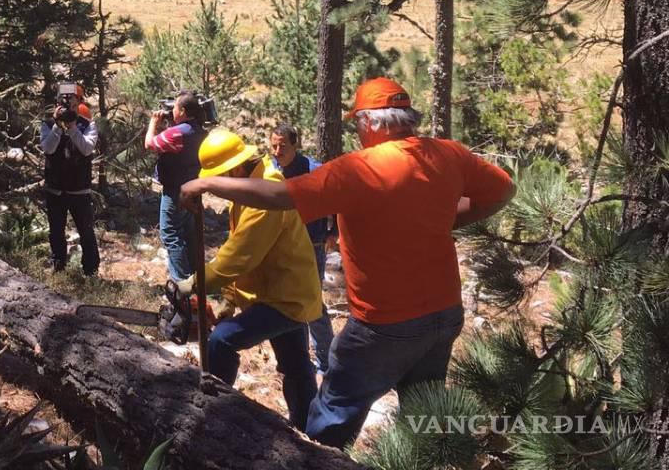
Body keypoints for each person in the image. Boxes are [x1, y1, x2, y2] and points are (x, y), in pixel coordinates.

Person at [180, 78, 515, 449]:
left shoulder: (359, 168)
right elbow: (503, 191)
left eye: (357, 123)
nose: (357, 131)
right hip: (444, 313)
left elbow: (280, 196)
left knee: (330, 420)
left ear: (370, 122)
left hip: (382, 324)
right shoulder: (449, 154)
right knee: (421, 420)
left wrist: (207, 185)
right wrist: (447, 220)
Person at [173, 129, 321, 429]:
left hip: (285, 297)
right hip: (277, 291)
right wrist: (229, 298)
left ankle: (216, 414)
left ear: (236, 168)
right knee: (296, 367)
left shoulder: (264, 191)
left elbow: (240, 255)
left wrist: (192, 284)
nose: (218, 186)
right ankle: (308, 430)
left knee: (221, 341)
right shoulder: (247, 190)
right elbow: (238, 244)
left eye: (220, 177)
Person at [269, 123, 336, 377]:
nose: (277, 151)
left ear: (295, 145)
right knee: (287, 302)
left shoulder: (314, 170)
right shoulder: (271, 169)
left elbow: (336, 200)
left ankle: (326, 362)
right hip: (281, 244)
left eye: (282, 146)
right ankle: (297, 360)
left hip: (312, 244)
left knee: (312, 304)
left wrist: (333, 231)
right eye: (274, 146)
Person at [145, 91, 208, 281]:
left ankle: (182, 283)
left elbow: (150, 144)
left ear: (183, 111)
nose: (172, 111)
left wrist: (153, 123)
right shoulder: (199, 131)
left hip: (175, 191)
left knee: (171, 235)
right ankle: (196, 282)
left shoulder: (177, 133)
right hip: (193, 188)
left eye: (175, 108)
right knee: (189, 235)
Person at [40, 83, 100, 275]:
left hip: (79, 188)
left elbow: (87, 149)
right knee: (56, 231)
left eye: (72, 104)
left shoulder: (87, 125)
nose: (68, 107)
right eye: (64, 102)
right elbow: (48, 148)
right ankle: (58, 267)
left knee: (86, 232)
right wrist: (57, 127)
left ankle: (91, 271)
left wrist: (73, 127)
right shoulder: (48, 124)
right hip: (55, 188)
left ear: (79, 103)